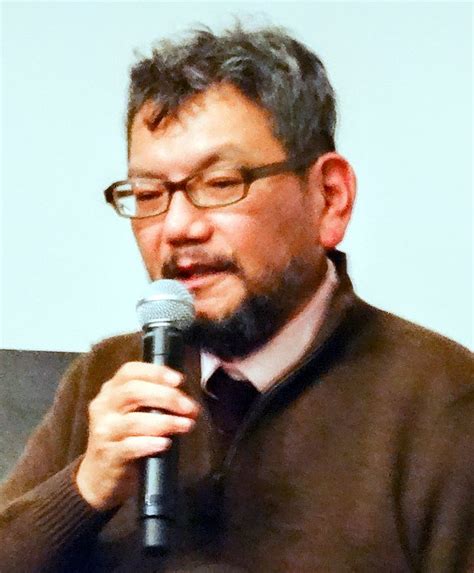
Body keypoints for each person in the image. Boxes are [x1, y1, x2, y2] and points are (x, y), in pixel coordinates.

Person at [0, 24, 472, 573]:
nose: (178, 227)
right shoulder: (108, 379)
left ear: (330, 198)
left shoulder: (443, 402)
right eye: (148, 194)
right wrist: (82, 491)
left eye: (221, 183)